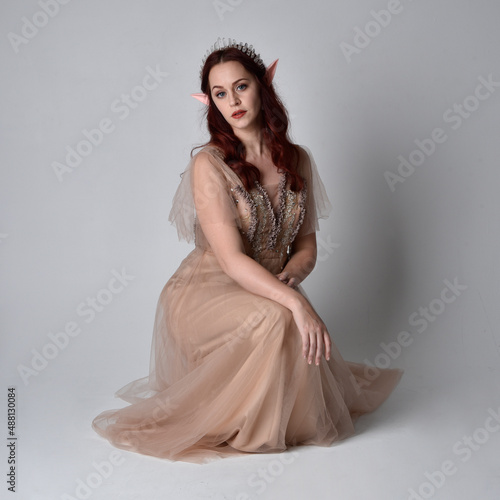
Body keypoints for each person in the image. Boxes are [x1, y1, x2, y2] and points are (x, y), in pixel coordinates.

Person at [92, 37, 404, 464]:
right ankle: (249, 430)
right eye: (219, 93)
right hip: (207, 291)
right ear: (210, 102)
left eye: (241, 86)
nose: (232, 101)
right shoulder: (210, 164)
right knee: (280, 316)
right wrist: (295, 302)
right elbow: (233, 261)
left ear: (263, 85)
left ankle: (283, 420)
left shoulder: (298, 159)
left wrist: (293, 277)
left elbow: (308, 245)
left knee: (285, 318)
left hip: (269, 286)